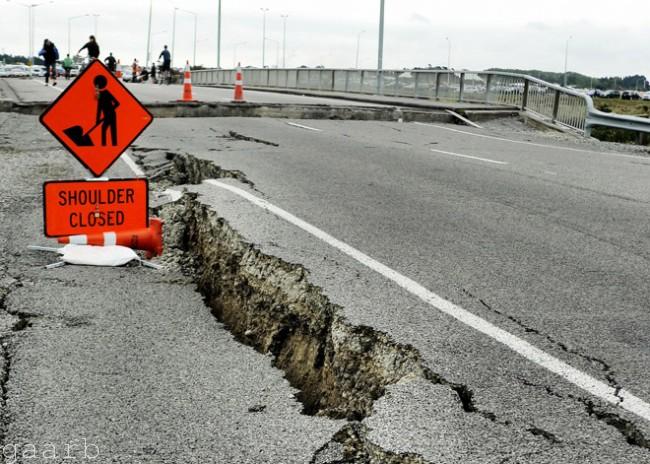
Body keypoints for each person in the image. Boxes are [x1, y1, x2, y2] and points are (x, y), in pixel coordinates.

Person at [94, 75, 119, 146]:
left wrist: (110, 110)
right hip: (106, 116)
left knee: (113, 130)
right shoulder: (99, 98)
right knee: (103, 129)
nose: (96, 92)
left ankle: (114, 145)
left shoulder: (107, 93)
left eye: (97, 90)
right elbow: (98, 110)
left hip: (112, 115)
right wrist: (97, 120)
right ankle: (104, 145)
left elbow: (117, 103)